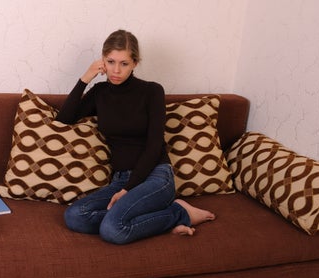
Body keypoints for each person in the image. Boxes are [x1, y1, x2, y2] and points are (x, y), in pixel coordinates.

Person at [56, 29, 215, 244]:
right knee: (74, 216)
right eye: (110, 62)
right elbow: (65, 118)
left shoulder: (152, 92)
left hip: (155, 176)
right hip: (120, 178)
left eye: (124, 63)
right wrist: (86, 77)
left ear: (135, 63)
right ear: (102, 60)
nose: (116, 70)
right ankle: (166, 214)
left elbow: (154, 145)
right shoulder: (100, 92)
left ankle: (181, 214)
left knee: (112, 230)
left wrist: (128, 189)